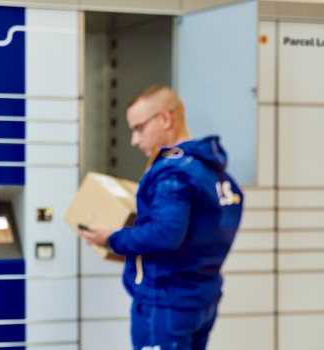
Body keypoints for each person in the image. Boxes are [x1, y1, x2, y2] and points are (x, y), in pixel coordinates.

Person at [78, 85, 243, 350]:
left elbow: (165, 234)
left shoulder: (173, 173)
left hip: (166, 302)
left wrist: (111, 238)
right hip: (201, 297)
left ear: (165, 118)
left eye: (139, 128)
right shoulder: (211, 171)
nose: (134, 140)